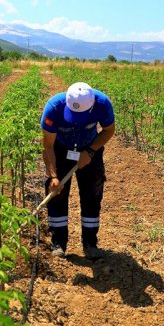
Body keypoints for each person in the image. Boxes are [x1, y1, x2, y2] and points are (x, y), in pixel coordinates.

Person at [41, 82, 115, 260]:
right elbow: (47, 146)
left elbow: (108, 131)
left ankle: (90, 243)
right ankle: (58, 242)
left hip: (91, 148)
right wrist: (53, 176)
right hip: (60, 150)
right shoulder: (53, 108)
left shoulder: (103, 104)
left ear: (91, 107)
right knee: (56, 194)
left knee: (92, 194)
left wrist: (89, 152)